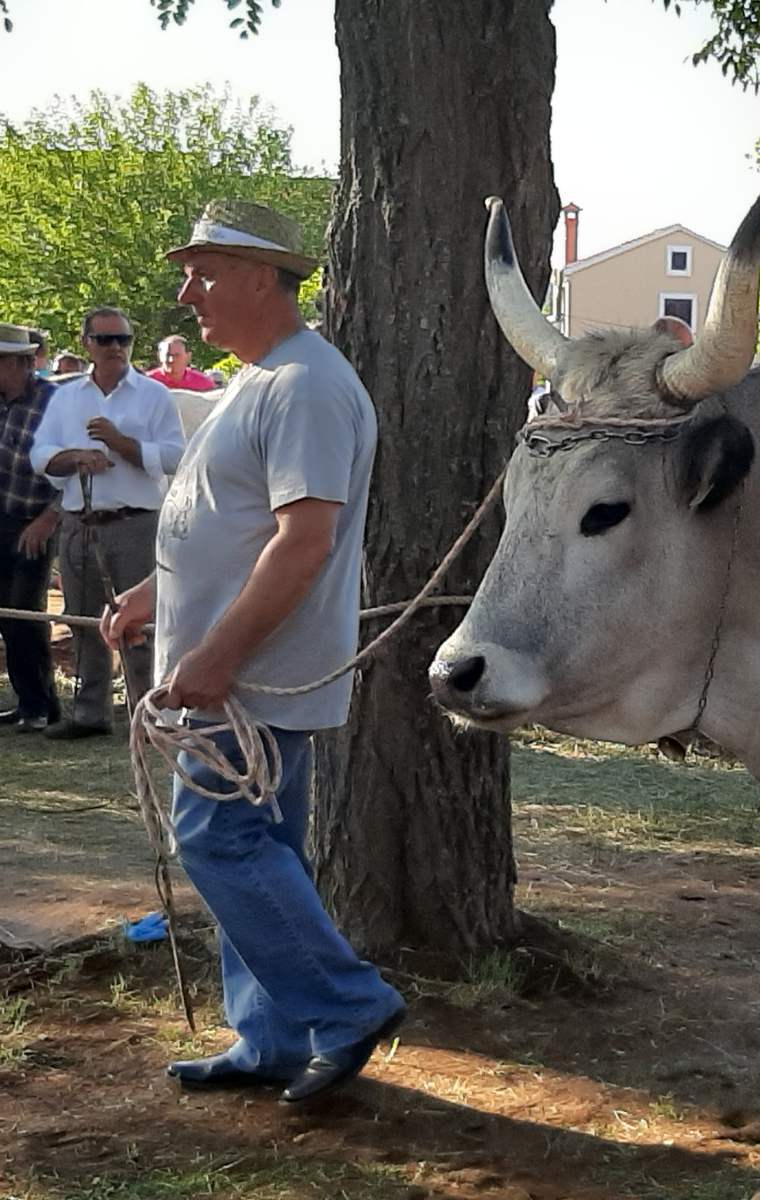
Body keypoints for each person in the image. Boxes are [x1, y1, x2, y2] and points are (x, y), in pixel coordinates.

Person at [102, 199, 404, 1103]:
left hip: (249, 680)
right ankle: (269, 1040)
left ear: (263, 278)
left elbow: (303, 541)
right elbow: (228, 526)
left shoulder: (305, 385)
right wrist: (158, 595)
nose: (188, 293)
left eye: (204, 272)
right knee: (259, 847)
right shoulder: (262, 380)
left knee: (221, 839)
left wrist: (218, 655)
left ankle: (348, 1005)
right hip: (238, 676)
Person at [28, 306, 184, 739]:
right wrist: (75, 457)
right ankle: (91, 713)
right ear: (86, 345)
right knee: (82, 620)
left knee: (140, 624)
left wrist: (120, 444)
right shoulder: (66, 397)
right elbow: (41, 457)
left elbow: (174, 457)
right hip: (80, 523)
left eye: (123, 339)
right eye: (105, 340)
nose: (116, 347)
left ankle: (149, 713)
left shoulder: (154, 395)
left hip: (135, 523)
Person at [0, 322, 63, 732]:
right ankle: (27, 702)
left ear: (23, 363)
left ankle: (42, 705)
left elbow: (74, 473)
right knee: (6, 613)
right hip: (1, 515)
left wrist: (46, 520)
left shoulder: (55, 403)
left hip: (35, 518)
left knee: (24, 611)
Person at [147, 334, 216, 391]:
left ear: (188, 357)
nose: (171, 360)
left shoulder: (203, 383)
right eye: (167, 355)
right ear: (159, 356)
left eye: (177, 355)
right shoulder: (148, 382)